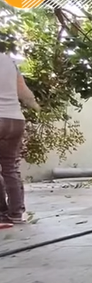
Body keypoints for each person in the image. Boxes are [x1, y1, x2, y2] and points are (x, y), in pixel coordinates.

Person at [0, 51, 39, 225]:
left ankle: (2, 212)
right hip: (15, 119)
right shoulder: (9, 60)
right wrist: (35, 106)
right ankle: (16, 213)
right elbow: (23, 92)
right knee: (10, 167)